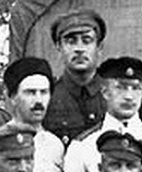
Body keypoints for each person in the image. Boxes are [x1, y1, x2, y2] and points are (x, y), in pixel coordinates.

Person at [43, 8, 108, 145]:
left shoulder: (119, 93)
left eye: (87, 41)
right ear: (58, 47)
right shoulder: (46, 97)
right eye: (71, 41)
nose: (79, 48)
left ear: (99, 47)